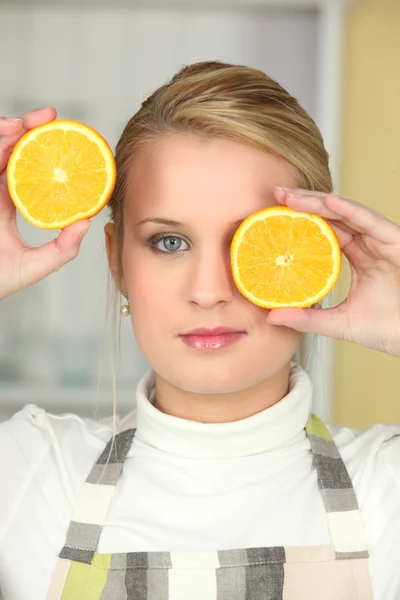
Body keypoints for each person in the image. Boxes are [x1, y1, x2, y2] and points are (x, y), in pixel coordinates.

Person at [0, 61, 399, 600]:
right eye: (169, 242)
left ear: (311, 253)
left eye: (248, 242)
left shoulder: (386, 488)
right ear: (118, 261)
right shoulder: (27, 471)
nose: (209, 290)